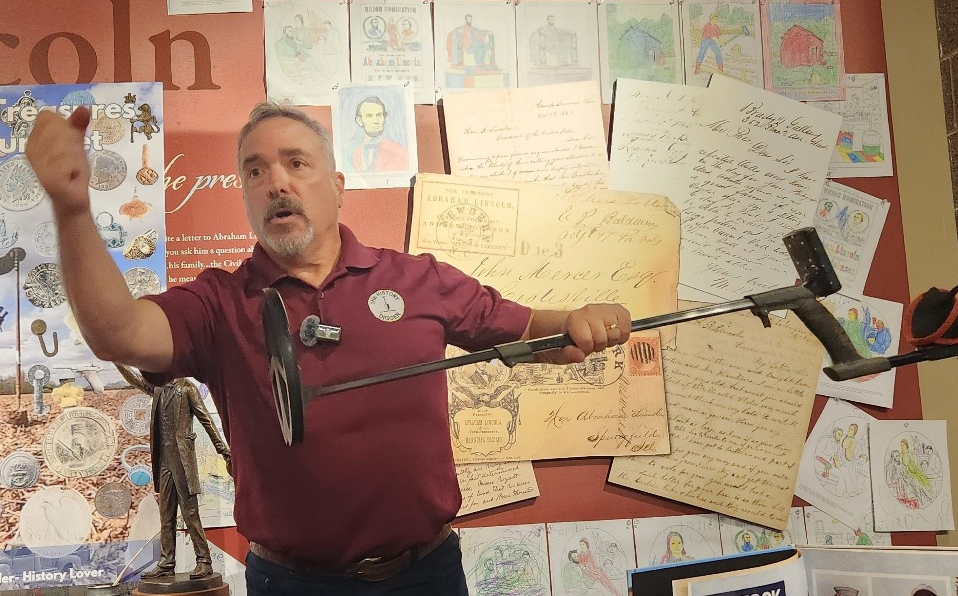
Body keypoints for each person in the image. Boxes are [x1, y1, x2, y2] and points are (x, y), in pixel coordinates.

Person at [25, 102, 631, 596]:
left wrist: (578, 320)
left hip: (426, 575)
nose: (276, 183)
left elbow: (528, 332)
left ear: (338, 187)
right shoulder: (219, 304)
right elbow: (119, 333)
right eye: (255, 172)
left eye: (296, 163)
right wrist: (72, 209)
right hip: (291, 583)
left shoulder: (418, 280)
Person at [115, 364, 230, 580]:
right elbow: (134, 379)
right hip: (164, 460)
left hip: (182, 459)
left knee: (190, 513)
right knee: (166, 513)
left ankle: (204, 561)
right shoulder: (158, 388)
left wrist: (223, 450)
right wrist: (117, 360)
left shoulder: (187, 389)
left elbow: (206, 420)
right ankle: (166, 563)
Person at [347, 96, 409, 172]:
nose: (376, 121)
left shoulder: (400, 152)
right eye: (369, 116)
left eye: (379, 115)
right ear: (359, 121)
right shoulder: (355, 154)